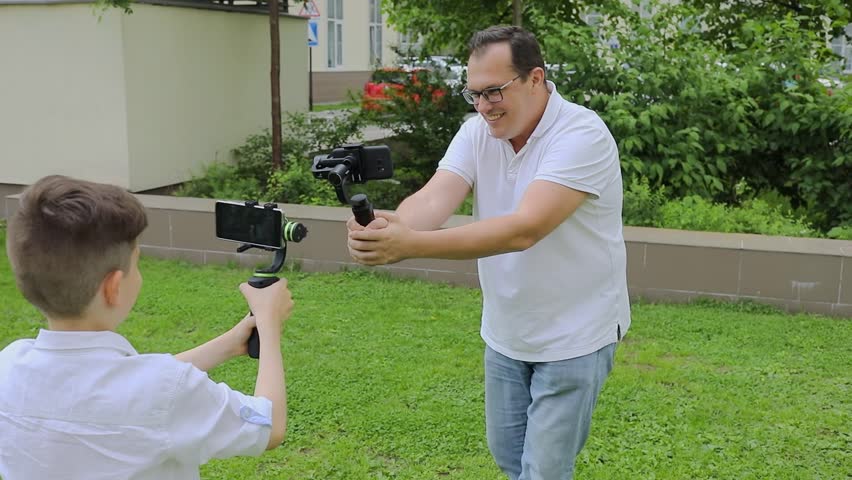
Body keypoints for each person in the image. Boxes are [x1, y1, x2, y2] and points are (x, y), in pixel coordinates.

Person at [347, 25, 631, 479]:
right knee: (510, 460)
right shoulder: (478, 131)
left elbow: (524, 229)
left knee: (543, 472)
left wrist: (411, 245)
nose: (483, 106)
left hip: (576, 336)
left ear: (535, 79)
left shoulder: (581, 134)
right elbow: (436, 198)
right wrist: (392, 227)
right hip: (506, 332)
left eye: (494, 92)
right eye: (474, 94)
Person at [0, 175, 293, 480]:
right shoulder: (164, 391)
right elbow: (268, 427)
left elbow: (121, 388)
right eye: (136, 264)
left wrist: (230, 344)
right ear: (112, 287)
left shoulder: (7, 368)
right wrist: (268, 325)